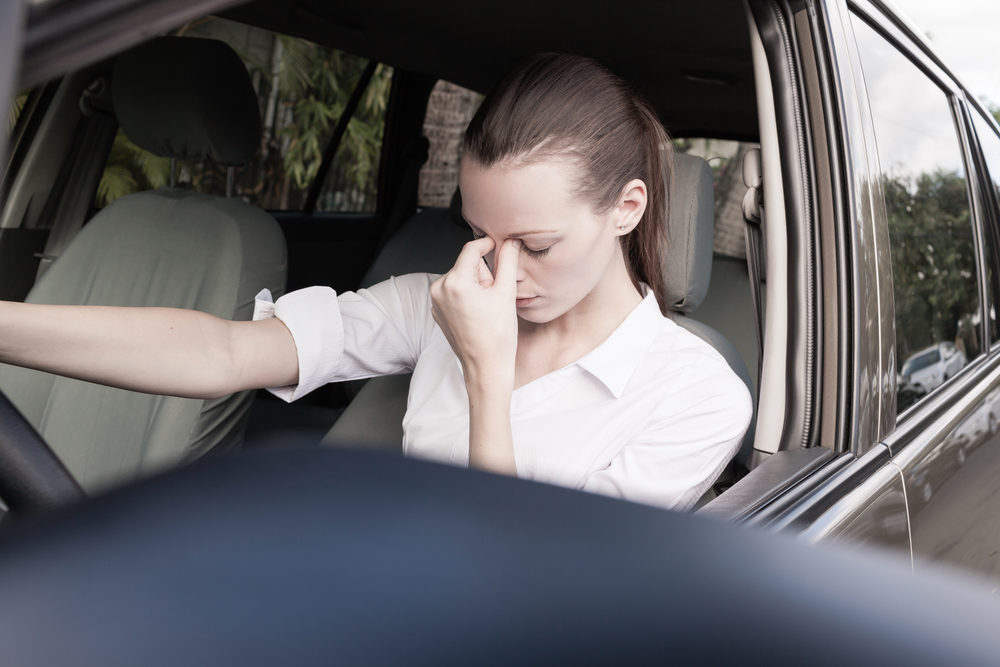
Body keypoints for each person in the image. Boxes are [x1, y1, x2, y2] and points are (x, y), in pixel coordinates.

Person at [0, 53, 751, 510]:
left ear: (626, 209)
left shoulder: (697, 396)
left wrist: (487, 375)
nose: (500, 270)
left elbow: (526, 575)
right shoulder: (442, 303)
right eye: (483, 236)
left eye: (537, 244)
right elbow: (222, 354)